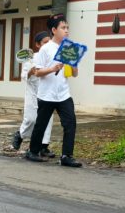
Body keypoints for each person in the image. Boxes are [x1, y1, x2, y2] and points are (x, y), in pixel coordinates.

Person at [25, 13, 82, 167]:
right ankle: (33, 151)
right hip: (47, 94)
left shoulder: (69, 48)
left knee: (70, 123)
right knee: (41, 125)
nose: (67, 30)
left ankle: (66, 156)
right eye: (63, 27)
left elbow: (74, 74)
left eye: (67, 27)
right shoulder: (45, 49)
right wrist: (52, 68)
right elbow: (37, 72)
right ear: (54, 30)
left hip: (64, 94)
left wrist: (74, 64)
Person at [11, 31, 55, 158]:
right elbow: (24, 76)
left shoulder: (52, 58)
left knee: (47, 121)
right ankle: (20, 135)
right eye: (45, 42)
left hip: (47, 94)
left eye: (49, 42)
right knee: (31, 119)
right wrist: (30, 72)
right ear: (37, 45)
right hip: (32, 94)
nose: (48, 45)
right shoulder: (31, 58)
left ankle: (43, 146)